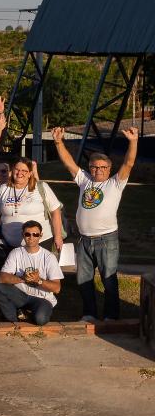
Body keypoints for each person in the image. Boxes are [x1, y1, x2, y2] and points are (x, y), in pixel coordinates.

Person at [52, 126, 138, 322]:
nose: (98, 170)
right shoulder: (85, 181)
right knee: (84, 280)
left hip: (106, 239)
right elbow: (68, 163)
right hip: (84, 240)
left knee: (109, 280)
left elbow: (129, 163)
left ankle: (110, 316)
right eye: (94, 167)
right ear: (90, 167)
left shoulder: (115, 183)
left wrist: (133, 142)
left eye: (102, 167)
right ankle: (89, 314)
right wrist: (58, 142)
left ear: (109, 169)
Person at [0, 220, 63, 325]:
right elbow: (2, 278)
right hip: (21, 295)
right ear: (23, 235)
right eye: (27, 234)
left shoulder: (49, 257)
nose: (31, 237)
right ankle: (13, 320)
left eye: (35, 234)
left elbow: (57, 288)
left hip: (42, 298)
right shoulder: (16, 252)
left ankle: (30, 313)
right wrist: (23, 278)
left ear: (41, 235)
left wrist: (39, 280)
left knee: (40, 319)